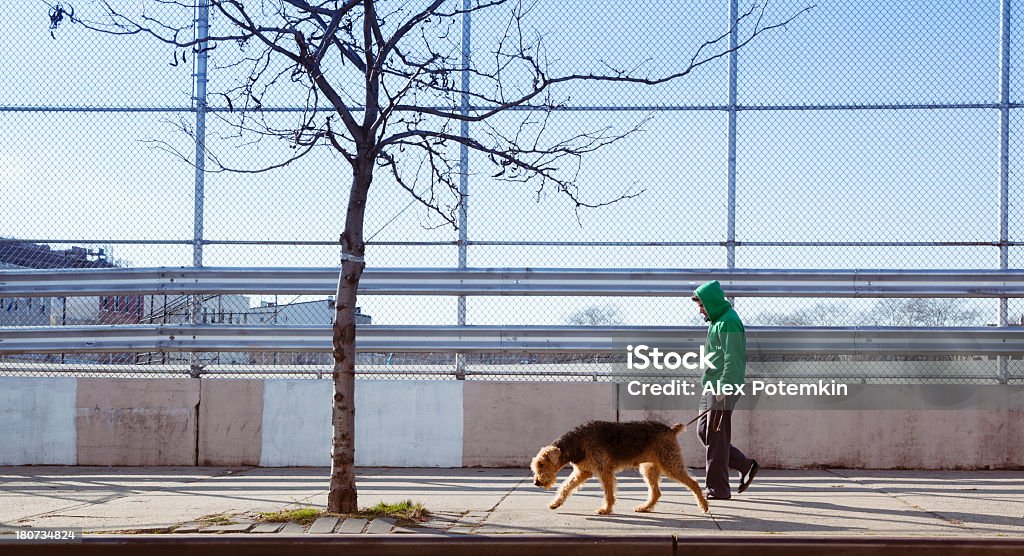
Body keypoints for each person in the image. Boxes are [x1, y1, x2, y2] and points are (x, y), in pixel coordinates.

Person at [691, 280, 759, 500]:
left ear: (711, 302)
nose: (700, 309)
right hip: (712, 385)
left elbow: (733, 358)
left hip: (722, 387)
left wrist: (724, 387)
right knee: (705, 432)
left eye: (702, 305)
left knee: (717, 438)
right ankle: (745, 465)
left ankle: (718, 489)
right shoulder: (717, 321)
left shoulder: (729, 321)